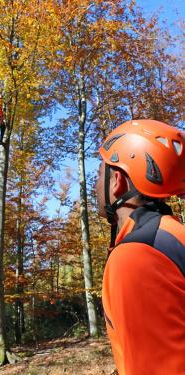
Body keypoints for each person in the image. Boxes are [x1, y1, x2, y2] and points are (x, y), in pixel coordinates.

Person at [95, 119, 185, 375]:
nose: (95, 185)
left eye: (100, 173)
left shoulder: (138, 255)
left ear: (117, 181)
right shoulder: (171, 236)